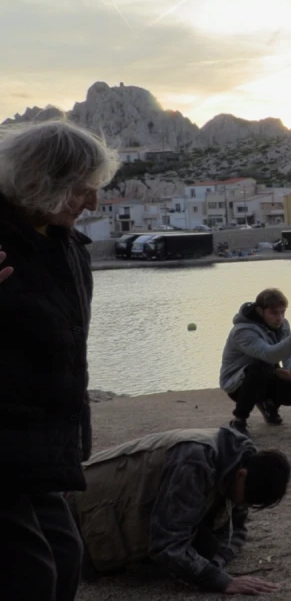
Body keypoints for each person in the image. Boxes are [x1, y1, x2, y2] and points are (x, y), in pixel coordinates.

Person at [0, 119, 119, 601]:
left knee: (67, 555)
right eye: (81, 190)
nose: (93, 203)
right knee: (29, 572)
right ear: (39, 183)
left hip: (36, 442)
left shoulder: (66, 247)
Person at [69, 426, 291, 595]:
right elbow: (168, 545)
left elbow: (237, 530)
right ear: (242, 474)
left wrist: (218, 561)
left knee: (207, 547)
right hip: (78, 511)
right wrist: (222, 581)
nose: (244, 507)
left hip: (105, 504)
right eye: (247, 500)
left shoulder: (238, 463)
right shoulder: (195, 460)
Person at [219, 288, 291, 434]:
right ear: (260, 311)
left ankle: (270, 405)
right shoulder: (242, 331)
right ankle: (239, 420)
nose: (280, 318)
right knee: (260, 367)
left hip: (267, 373)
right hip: (237, 384)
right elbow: (269, 355)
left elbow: (289, 353)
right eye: (274, 312)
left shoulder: (283, 325)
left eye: (283, 312)